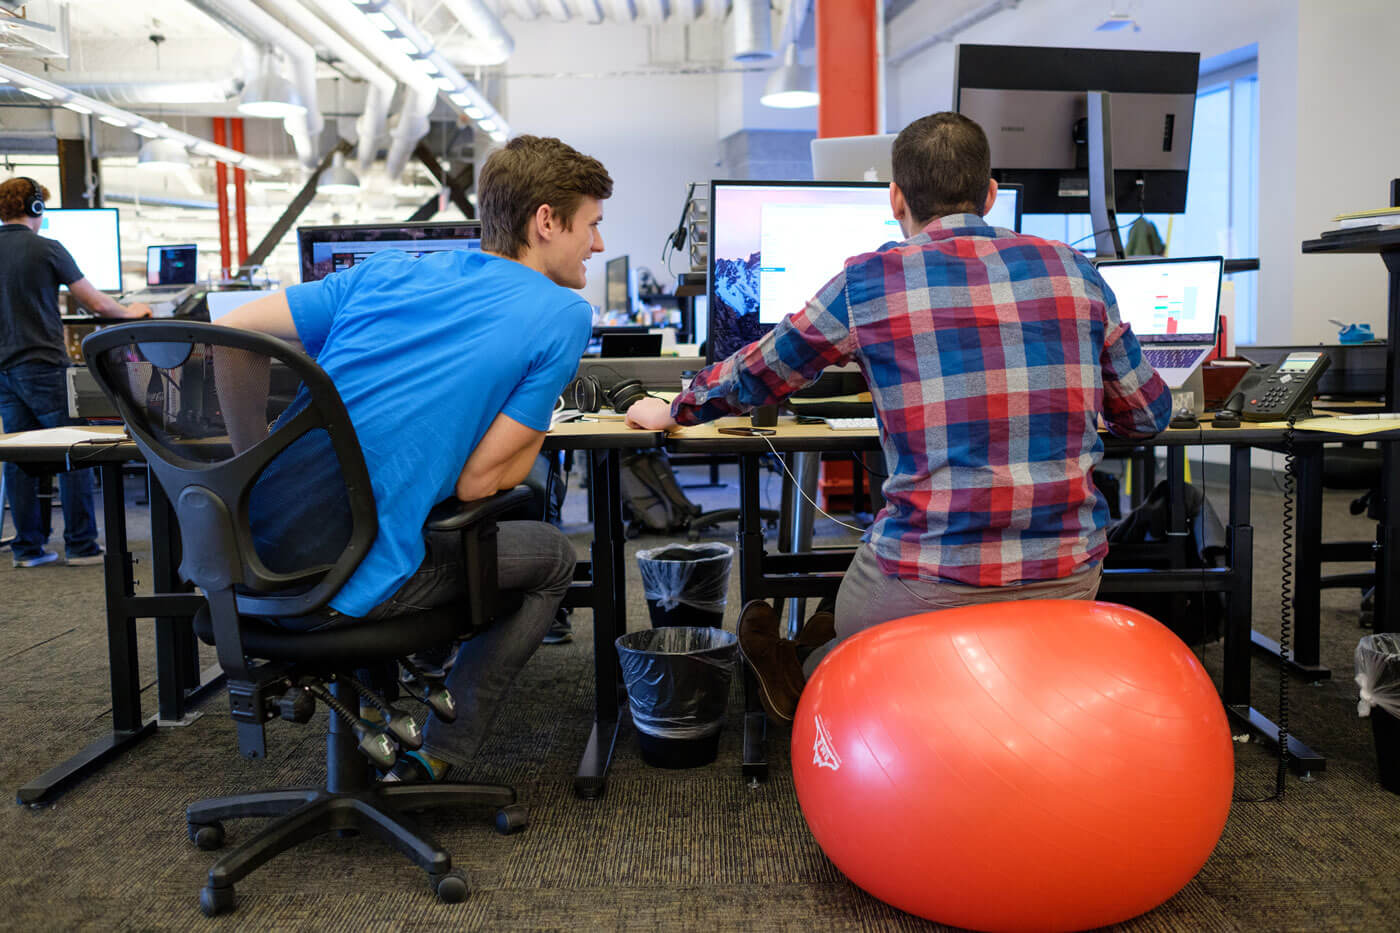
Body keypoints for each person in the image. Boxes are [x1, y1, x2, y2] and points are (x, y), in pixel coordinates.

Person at [625, 112, 1172, 723]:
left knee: (852, 611)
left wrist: (674, 407)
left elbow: (758, 372)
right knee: (862, 612)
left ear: (895, 198)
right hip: (1069, 579)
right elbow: (1148, 417)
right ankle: (848, 655)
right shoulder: (1077, 268)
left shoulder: (869, 281)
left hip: (929, 579)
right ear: (991, 194)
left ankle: (802, 673)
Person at [215, 135, 611, 780]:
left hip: (249, 558)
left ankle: (385, 722)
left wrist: (250, 467)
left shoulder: (386, 271)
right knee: (551, 555)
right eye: (592, 225)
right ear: (546, 221)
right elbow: (482, 480)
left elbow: (231, 334)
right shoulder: (562, 312)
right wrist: (530, 417)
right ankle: (437, 752)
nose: (596, 244)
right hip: (351, 584)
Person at [0, 177, 151, 568]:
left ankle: (27, 549)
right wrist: (132, 313)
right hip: (43, 364)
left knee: (20, 455)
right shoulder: (46, 248)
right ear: (36, 209)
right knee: (74, 451)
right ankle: (82, 545)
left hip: (3, 370)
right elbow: (97, 303)